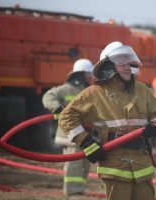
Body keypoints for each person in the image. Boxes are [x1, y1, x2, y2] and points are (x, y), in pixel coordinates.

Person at [59, 41, 156, 200]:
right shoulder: (95, 93)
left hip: (142, 163)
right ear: (108, 67)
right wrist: (87, 142)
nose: (128, 67)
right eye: (122, 64)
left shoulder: (143, 90)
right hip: (115, 163)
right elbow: (67, 118)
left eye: (129, 63)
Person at [42, 58, 94, 196]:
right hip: (69, 135)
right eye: (89, 73)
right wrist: (59, 110)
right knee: (74, 165)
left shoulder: (88, 90)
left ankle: (78, 190)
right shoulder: (65, 90)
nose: (91, 76)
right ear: (81, 74)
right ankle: (73, 193)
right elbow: (48, 96)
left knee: (84, 166)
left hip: (85, 135)